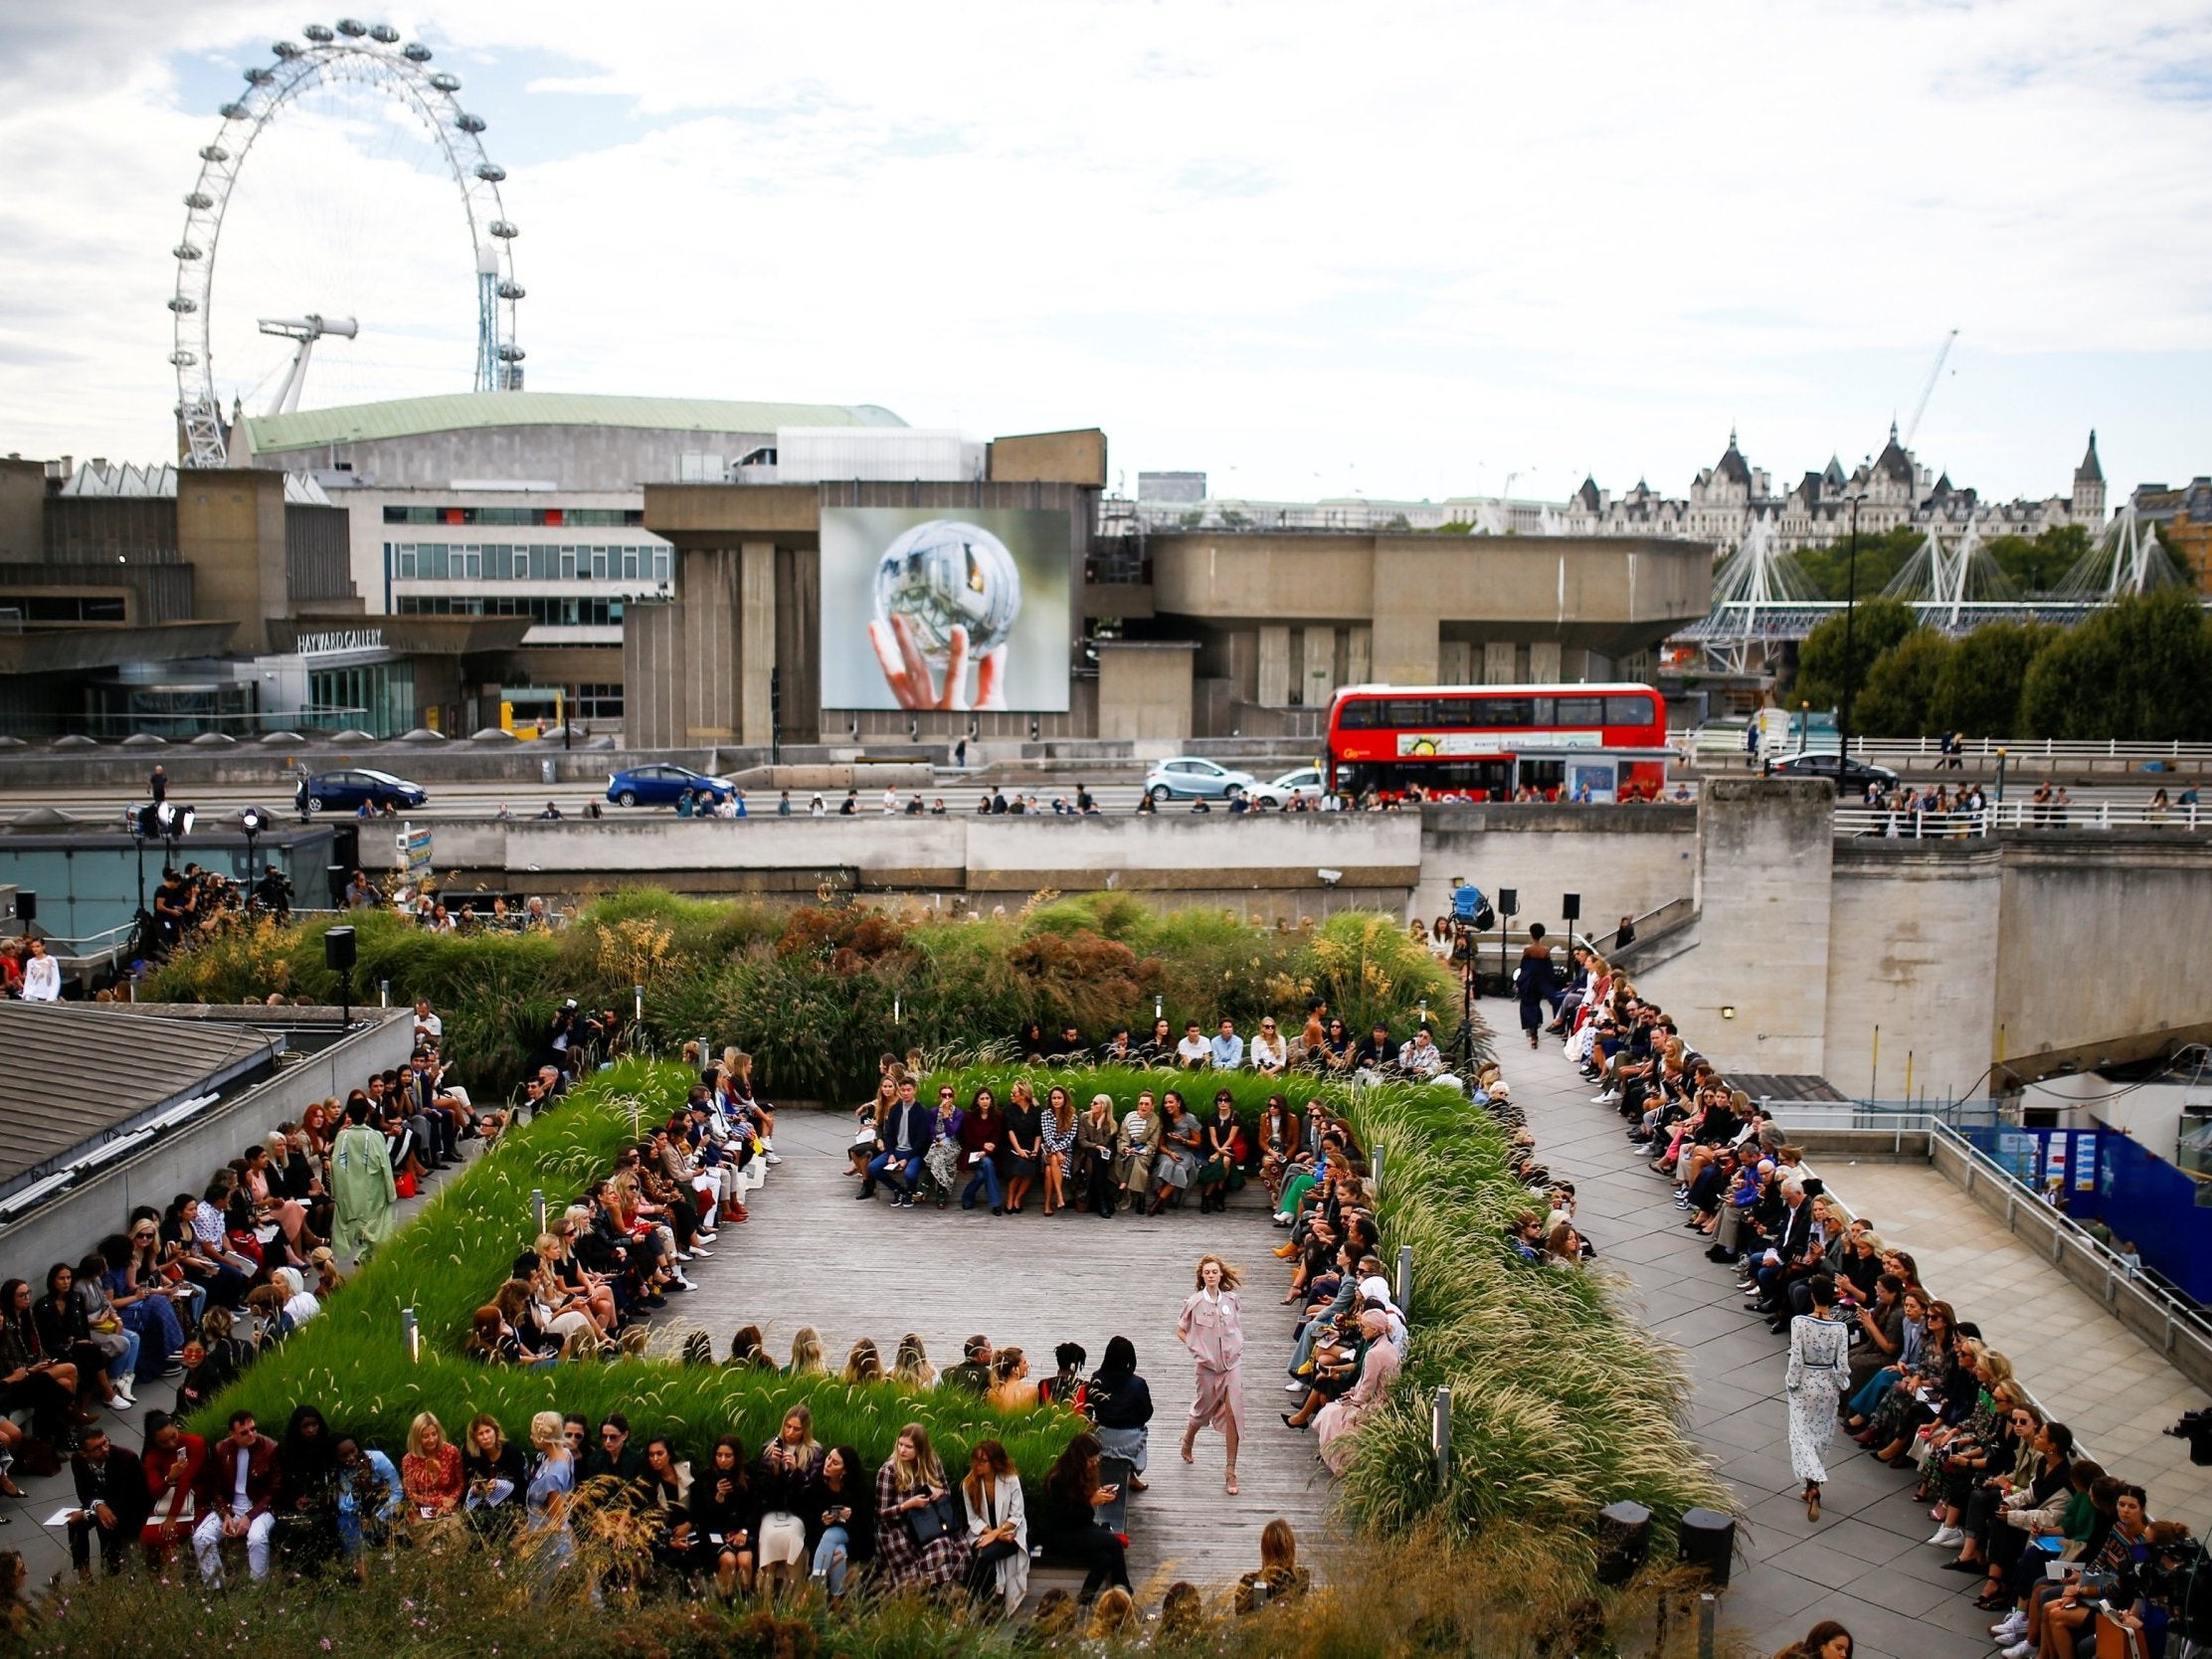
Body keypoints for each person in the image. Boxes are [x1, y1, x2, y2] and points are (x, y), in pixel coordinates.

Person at [1784, 1275, 1850, 1521]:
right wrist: (1842, 1383)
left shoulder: (1800, 1323)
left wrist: (1792, 1381)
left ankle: (1813, 1479)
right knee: (1821, 1436)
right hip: (1828, 1385)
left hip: (1806, 1382)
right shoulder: (1840, 1328)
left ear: (1812, 1296)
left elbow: (1797, 1359)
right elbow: (1842, 1364)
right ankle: (1812, 1487)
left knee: (1802, 1435)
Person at [875, 1421, 969, 1590]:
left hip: (930, 1522)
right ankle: (937, 1596)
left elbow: (946, 1492)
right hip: (899, 1528)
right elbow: (881, 1514)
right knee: (938, 1548)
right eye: (900, 1444)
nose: (902, 1450)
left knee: (947, 1547)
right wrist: (907, 1505)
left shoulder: (932, 1462)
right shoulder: (889, 1470)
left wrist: (937, 1492)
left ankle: (941, 1599)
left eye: (908, 1447)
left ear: (919, 1449)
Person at [1179, 1253, 1244, 1494]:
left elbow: (1235, 1328)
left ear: (1221, 1274)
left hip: (1232, 1364)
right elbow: (1181, 1330)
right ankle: (1188, 1439)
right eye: (1207, 1272)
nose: (1211, 1276)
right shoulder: (1195, 1303)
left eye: (1214, 1271)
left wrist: (1237, 1346)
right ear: (1202, 1276)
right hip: (1207, 1366)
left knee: (1233, 1413)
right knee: (1202, 1409)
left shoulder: (1231, 1300)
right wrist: (1197, 1350)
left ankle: (1230, 1471)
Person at [1038, 1431, 1129, 1603]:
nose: (1094, 1463)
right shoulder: (1058, 1480)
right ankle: (1124, 1594)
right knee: (1114, 1543)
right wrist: (1090, 1501)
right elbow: (1062, 1517)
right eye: (1090, 1460)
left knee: (1105, 1557)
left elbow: (1082, 1513)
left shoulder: (1083, 1475)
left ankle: (1085, 1599)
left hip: (1079, 1527)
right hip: (1060, 1534)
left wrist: (1096, 1494)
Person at [194, 1408, 278, 1585]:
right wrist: (225, 1514)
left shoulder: (270, 1448)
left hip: (260, 1507)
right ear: (232, 1434)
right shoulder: (221, 1449)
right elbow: (215, 1489)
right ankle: (215, 1587)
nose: (251, 1434)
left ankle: (258, 1586)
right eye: (244, 1432)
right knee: (201, 1537)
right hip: (231, 1506)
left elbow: (273, 1492)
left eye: (253, 1429)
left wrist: (249, 1516)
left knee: (257, 1538)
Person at [1313, 1308, 1401, 1475]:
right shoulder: (1388, 1347)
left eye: (1363, 1327)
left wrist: (1354, 1399)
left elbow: (1368, 1387)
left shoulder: (1374, 1353)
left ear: (1374, 1329)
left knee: (1331, 1413)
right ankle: (1332, 1453)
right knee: (1332, 1410)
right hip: (1384, 1398)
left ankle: (1340, 1461)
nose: (1361, 1330)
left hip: (1377, 1404)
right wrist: (1354, 1391)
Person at [754, 1402, 824, 1595]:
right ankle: (765, 1597)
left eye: (797, 1429)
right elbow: (763, 1492)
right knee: (768, 1535)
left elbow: (813, 1492)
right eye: (788, 1426)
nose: (791, 1432)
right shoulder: (770, 1448)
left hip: (799, 1512)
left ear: (805, 1430)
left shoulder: (814, 1452)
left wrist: (796, 1471)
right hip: (774, 1510)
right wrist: (775, 1470)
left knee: (793, 1536)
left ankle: (794, 1594)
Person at [65, 1425, 147, 1578]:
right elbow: (83, 1492)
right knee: (74, 1522)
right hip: (103, 1506)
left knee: (106, 1523)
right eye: (97, 1447)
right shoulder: (77, 1461)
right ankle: (83, 1571)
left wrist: (92, 1513)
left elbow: (133, 1498)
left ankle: (112, 1567)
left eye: (105, 1442)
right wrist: (98, 1506)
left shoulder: (127, 1459)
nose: (104, 1449)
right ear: (84, 1453)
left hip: (130, 1510)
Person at [962, 1438, 1029, 1614]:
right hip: (984, 1534)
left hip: (1011, 1534)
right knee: (984, 1560)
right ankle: (988, 1612)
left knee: (983, 1556)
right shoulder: (969, 1484)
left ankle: (963, 1605)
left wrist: (997, 1534)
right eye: (975, 1460)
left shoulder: (1011, 1480)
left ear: (995, 1462)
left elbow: (1017, 1515)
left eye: (983, 1461)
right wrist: (994, 1535)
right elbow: (973, 1520)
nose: (977, 1465)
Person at [328, 1098, 398, 1262]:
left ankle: (363, 1251)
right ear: (367, 1115)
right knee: (375, 1223)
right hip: (373, 1187)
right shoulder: (375, 1136)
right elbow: (385, 1165)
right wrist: (391, 1191)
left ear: (349, 1115)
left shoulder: (342, 1136)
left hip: (350, 1188)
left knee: (358, 1223)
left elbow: (336, 1165)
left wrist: (336, 1192)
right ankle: (364, 1252)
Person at [1085, 1336, 1154, 1491]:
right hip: (1131, 1440)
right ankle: (1132, 1474)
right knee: (1142, 1430)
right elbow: (1147, 1413)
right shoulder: (1138, 1384)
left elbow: (1089, 1408)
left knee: (1093, 1427)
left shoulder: (1097, 1378)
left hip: (1103, 1437)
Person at [1234, 1517, 1312, 1613]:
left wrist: (1267, 1578)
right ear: (1291, 1548)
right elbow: (1242, 1610)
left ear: (1264, 1550)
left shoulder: (1249, 1583)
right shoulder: (1300, 1577)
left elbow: (1250, 1614)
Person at [1516, 923, 1559, 1048]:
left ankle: (1534, 1036)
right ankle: (1536, 1029)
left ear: (1531, 933)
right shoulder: (1545, 951)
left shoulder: (1528, 950)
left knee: (1529, 1005)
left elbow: (1523, 967)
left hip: (1529, 981)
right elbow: (1548, 968)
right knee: (1536, 1004)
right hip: (1542, 981)